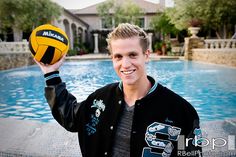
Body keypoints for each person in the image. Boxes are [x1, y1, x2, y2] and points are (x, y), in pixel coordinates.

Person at [35, 23, 202, 157]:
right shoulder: (99, 99)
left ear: (146, 55)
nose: (126, 64)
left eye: (132, 55)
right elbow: (71, 117)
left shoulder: (182, 112)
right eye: (118, 56)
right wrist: (51, 73)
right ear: (112, 59)